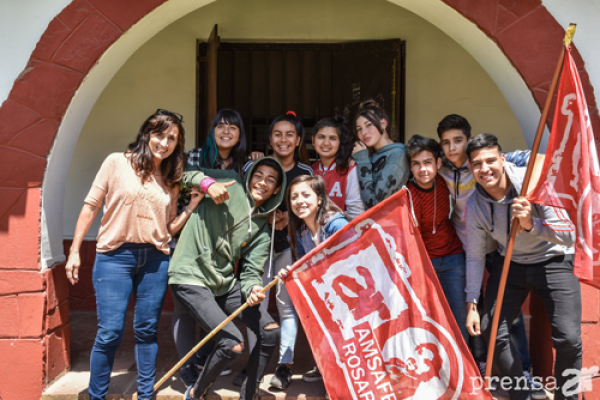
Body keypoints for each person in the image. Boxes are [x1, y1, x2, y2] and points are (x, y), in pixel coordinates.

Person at [64, 109, 196, 400]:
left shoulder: (171, 177)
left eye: (172, 138)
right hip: (114, 257)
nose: (164, 142)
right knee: (109, 331)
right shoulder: (116, 162)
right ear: (147, 134)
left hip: (155, 260)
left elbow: (168, 227)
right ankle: (97, 395)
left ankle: (145, 394)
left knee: (147, 330)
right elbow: (90, 206)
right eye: (160, 134)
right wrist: (74, 251)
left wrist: (190, 207)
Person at [464, 134, 582, 400]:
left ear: (503, 159)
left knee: (569, 339)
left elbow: (569, 234)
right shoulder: (474, 205)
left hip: (555, 260)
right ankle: (522, 395)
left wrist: (532, 224)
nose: (485, 169)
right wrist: (472, 303)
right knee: (492, 331)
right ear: (470, 168)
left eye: (491, 160)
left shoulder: (533, 185)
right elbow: (475, 256)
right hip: (512, 264)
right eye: (477, 164)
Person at [436, 114, 546, 398]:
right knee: (474, 307)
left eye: (458, 141)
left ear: (468, 141)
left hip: (497, 247)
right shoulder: (442, 170)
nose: (452, 148)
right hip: (465, 247)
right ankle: (483, 364)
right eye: (446, 142)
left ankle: (524, 372)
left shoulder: (489, 162)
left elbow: (534, 158)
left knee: (507, 315)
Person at [169, 157, 286, 400]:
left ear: (276, 189)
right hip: (189, 274)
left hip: (222, 283)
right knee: (232, 343)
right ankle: (196, 393)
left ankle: (248, 394)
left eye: (270, 180)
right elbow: (182, 172)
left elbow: (251, 271)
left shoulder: (264, 227)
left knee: (270, 331)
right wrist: (207, 183)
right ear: (250, 175)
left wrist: (254, 287)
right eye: (258, 175)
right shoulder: (228, 181)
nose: (262, 182)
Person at [173, 109, 248, 387]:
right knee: (185, 310)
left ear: (240, 135)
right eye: (221, 126)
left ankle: (204, 356)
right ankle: (186, 368)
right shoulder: (195, 156)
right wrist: (207, 183)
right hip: (189, 241)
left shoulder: (242, 165)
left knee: (217, 305)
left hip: (222, 248)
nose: (226, 131)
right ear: (212, 130)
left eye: (233, 128)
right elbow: (182, 178)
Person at [240, 111, 313, 390]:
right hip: (255, 247)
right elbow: (244, 202)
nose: (283, 139)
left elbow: (310, 207)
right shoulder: (254, 167)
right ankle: (254, 363)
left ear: (297, 140)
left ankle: (284, 365)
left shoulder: (305, 172)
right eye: (278, 134)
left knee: (286, 308)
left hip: (288, 248)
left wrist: (287, 221)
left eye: (289, 134)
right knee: (254, 304)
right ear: (270, 138)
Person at [286, 175, 350, 382]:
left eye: (306, 195)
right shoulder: (301, 231)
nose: (299, 201)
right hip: (327, 292)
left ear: (320, 199)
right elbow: (307, 267)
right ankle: (328, 370)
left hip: (349, 292)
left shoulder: (335, 224)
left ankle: (344, 376)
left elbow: (352, 260)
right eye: (294, 197)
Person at [405, 135, 468, 342]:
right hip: (425, 263)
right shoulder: (406, 195)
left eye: (427, 162)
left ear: (438, 163)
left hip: (453, 257)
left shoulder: (444, 181)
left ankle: (467, 365)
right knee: (428, 318)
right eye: (416, 164)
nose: (422, 169)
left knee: (459, 314)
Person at [352, 100, 409, 208]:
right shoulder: (368, 153)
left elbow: (375, 203)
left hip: (389, 223)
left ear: (383, 124)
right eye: (359, 129)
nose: (364, 132)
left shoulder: (398, 154)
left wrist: (362, 160)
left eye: (368, 125)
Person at [311, 116, 365, 218]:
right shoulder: (310, 170)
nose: (326, 143)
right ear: (313, 140)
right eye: (321, 137)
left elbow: (356, 213)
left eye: (333, 138)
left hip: (343, 231)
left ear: (340, 142)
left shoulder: (350, 169)